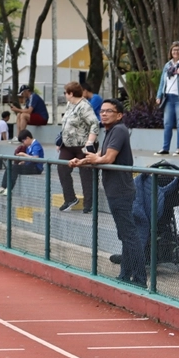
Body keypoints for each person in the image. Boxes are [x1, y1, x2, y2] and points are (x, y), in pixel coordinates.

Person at [69, 99, 146, 287]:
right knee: (125, 234)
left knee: (129, 235)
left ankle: (139, 278)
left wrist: (95, 159)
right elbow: (100, 157)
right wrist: (82, 162)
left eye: (108, 111)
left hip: (121, 190)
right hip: (115, 190)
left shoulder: (119, 130)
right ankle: (126, 274)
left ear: (119, 115)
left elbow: (108, 159)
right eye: (101, 111)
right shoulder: (111, 131)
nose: (103, 114)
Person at [57, 81, 99, 213]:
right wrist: (61, 141)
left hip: (82, 145)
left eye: (65, 93)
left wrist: (90, 142)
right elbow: (66, 124)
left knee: (85, 173)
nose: (64, 95)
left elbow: (94, 124)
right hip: (68, 145)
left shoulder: (84, 106)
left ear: (71, 93)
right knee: (62, 168)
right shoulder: (70, 105)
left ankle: (89, 203)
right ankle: (70, 198)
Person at [0, 129, 43, 195]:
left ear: (28, 138)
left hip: (36, 168)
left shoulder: (36, 145)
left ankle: (9, 188)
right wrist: (24, 162)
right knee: (10, 166)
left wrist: (24, 154)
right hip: (29, 165)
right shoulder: (29, 146)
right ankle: (3, 187)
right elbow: (30, 158)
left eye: (23, 141)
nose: (23, 144)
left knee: (15, 168)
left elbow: (36, 158)